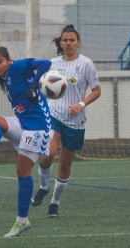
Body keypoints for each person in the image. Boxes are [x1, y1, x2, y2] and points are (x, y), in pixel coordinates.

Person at [0, 46, 53, 238]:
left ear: (9, 60)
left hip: (38, 127)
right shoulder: (5, 78)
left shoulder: (18, 66)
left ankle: (22, 221)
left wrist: (35, 85)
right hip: (22, 123)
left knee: (22, 170)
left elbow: (46, 63)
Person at [31, 24, 101, 218]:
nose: (68, 43)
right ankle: (44, 188)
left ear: (78, 43)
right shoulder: (52, 63)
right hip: (53, 114)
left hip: (75, 119)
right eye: (65, 40)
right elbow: (40, 82)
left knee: (64, 164)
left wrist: (81, 104)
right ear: (60, 43)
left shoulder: (86, 64)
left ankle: (54, 203)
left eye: (72, 40)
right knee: (48, 153)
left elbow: (97, 90)